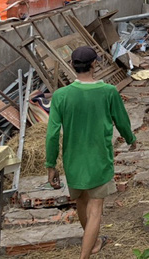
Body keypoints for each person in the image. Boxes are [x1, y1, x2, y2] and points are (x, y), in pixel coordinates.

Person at [46, 46, 137, 258]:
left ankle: (94, 241)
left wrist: (51, 165)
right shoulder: (109, 92)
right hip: (99, 160)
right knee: (96, 209)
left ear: (72, 65)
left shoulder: (61, 95)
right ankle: (84, 255)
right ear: (95, 64)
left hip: (73, 161)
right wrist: (131, 140)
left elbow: (51, 135)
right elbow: (122, 121)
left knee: (81, 202)